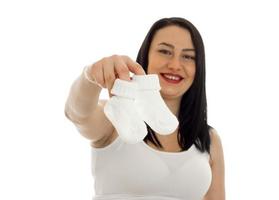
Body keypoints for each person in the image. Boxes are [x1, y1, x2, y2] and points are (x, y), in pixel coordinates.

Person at [64, 17, 225, 200]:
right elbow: (77, 114)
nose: (174, 65)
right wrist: (89, 76)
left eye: (188, 56)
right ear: (146, 55)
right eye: (165, 51)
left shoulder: (209, 139)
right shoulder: (116, 116)